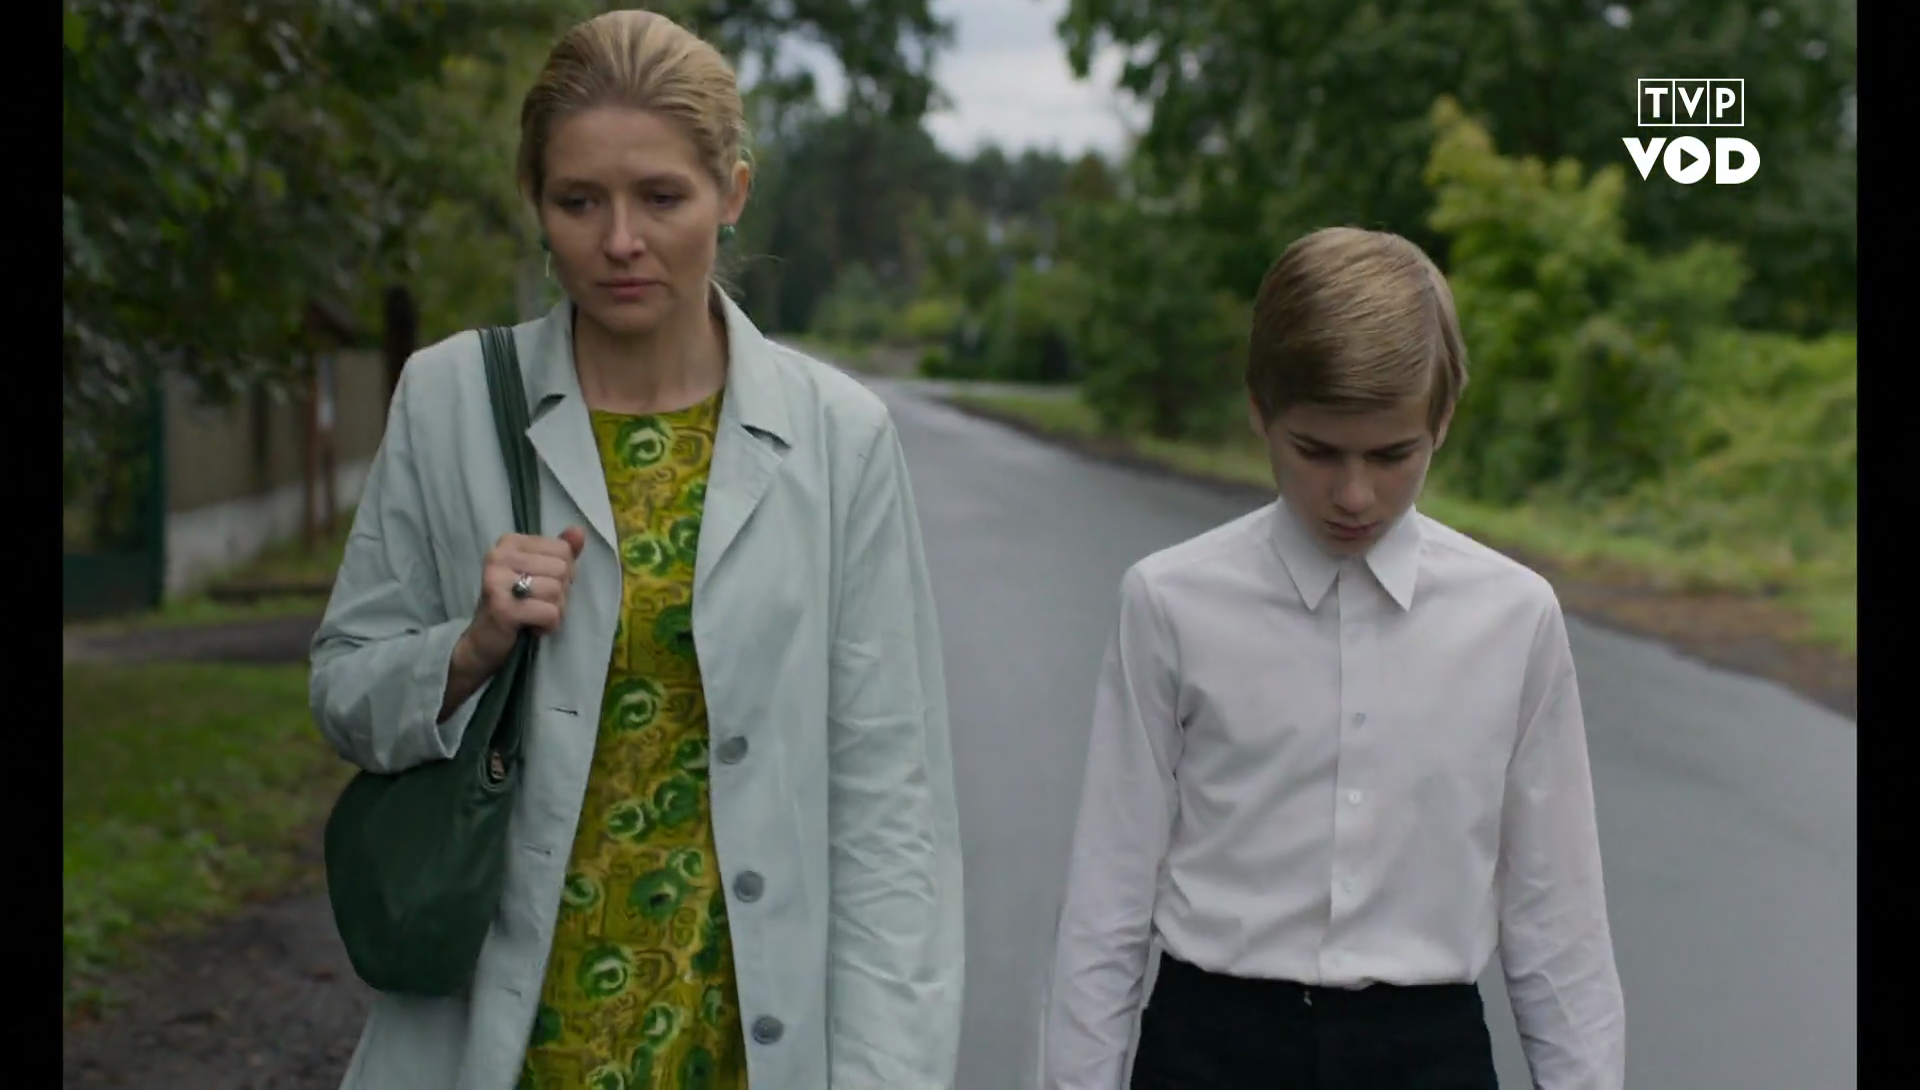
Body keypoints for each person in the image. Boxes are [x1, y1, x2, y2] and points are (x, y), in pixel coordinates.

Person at [310, 10, 964, 1088]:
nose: (620, 241)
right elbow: (343, 692)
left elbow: (891, 803)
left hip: (741, 1040)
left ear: (732, 193)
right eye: (580, 201)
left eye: (662, 197)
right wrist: (466, 652)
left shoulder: (839, 438)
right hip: (504, 1037)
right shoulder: (450, 400)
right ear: (536, 203)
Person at [1041, 226, 1625, 1089]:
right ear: (1260, 413)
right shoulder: (1170, 604)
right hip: (1208, 1052)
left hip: (1428, 1058)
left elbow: (1559, 917)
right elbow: (1108, 899)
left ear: (1442, 422)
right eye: (1316, 452)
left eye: (1393, 456)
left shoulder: (1514, 618)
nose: (1355, 495)